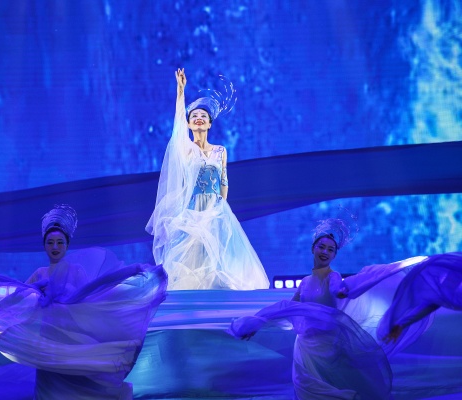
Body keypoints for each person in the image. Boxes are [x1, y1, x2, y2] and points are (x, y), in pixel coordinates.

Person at [0, 204, 168, 399]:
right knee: (50, 385)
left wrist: (129, 275)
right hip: (47, 342)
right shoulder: (40, 274)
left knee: (75, 383)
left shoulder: (76, 271)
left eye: (60, 242)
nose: (55, 247)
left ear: (66, 245)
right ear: (44, 245)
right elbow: (17, 299)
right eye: (50, 242)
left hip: (71, 339)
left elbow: (89, 296)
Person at [229, 218, 392, 399]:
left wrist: (340, 291)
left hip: (327, 344)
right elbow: (288, 308)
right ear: (313, 248)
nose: (325, 252)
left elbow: (336, 289)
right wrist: (257, 323)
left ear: (334, 255)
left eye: (330, 250)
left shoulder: (333, 276)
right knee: (303, 385)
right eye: (321, 247)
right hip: (305, 343)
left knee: (324, 386)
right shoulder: (305, 281)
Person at [146, 68, 269, 290]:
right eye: (194, 116)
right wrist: (180, 91)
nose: (199, 118)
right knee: (193, 252)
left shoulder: (220, 150)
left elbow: (224, 180)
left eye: (203, 116)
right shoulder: (186, 149)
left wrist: (222, 207)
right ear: (189, 124)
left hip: (215, 207)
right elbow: (177, 125)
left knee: (218, 254)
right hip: (193, 207)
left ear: (210, 124)